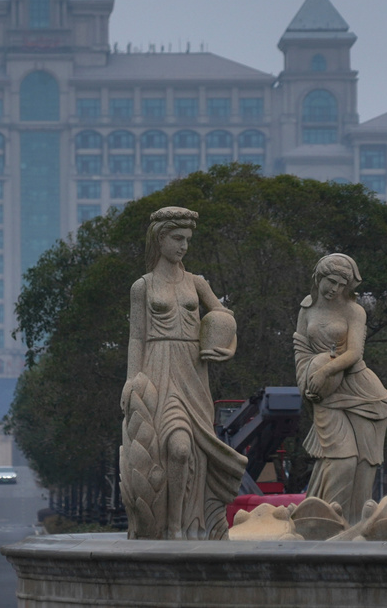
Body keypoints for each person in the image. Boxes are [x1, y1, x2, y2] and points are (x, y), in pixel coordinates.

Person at [119, 206, 246, 540]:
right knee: (176, 448)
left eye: (187, 240)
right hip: (158, 369)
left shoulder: (196, 282)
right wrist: (132, 380)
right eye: (177, 238)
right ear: (160, 239)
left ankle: (185, 523)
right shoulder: (142, 287)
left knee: (194, 449)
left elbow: (223, 316)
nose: (183, 246)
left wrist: (226, 347)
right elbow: (136, 337)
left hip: (192, 370)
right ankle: (171, 525)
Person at [293, 253, 387, 523]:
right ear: (319, 278)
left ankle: (355, 525)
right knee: (341, 460)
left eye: (340, 283)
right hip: (325, 393)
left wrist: (327, 369)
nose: (334, 288)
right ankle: (322, 523)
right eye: (330, 281)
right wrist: (306, 384)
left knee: (362, 464)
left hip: (362, 392)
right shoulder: (307, 309)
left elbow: (355, 354)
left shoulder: (353, 311)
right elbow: (301, 350)